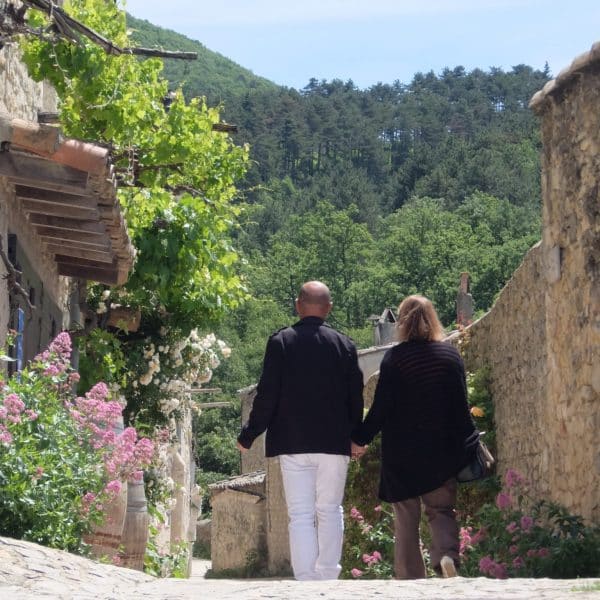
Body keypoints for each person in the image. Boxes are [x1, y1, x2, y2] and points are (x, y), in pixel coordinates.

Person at [237, 281, 364, 580]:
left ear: (297, 305)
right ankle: (329, 574)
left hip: (292, 443)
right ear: (329, 308)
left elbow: (267, 394)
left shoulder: (281, 342)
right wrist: (357, 437)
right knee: (330, 510)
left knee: (301, 515)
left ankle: (306, 578)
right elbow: (355, 396)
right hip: (334, 443)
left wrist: (249, 434)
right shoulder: (345, 345)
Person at [351, 294, 475, 579]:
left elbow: (380, 409)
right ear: (433, 319)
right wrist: (468, 444)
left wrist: (360, 438)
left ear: (402, 323)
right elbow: (460, 407)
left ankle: (409, 579)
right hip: (441, 452)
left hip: (402, 455)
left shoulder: (395, 359)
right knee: (441, 510)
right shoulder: (450, 356)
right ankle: (446, 557)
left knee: (406, 519)